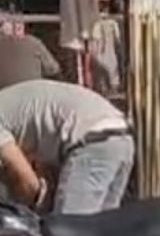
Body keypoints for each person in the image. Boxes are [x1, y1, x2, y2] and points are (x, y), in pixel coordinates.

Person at [0, 80, 133, 214]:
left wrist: (38, 206)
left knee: (68, 224)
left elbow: (25, 178)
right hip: (120, 136)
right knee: (102, 225)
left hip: (92, 141)